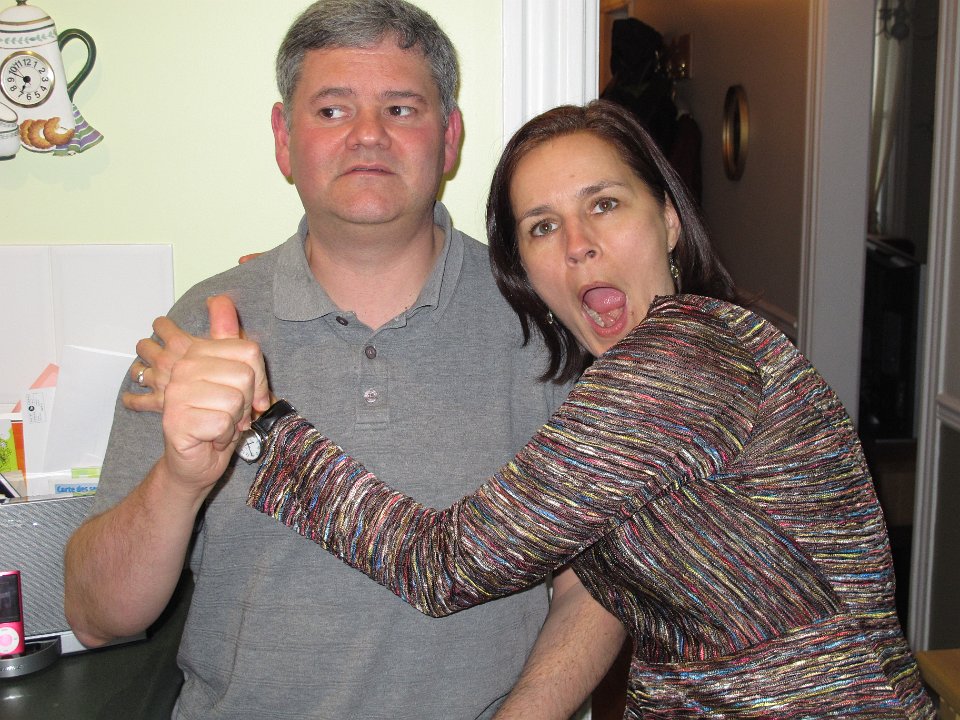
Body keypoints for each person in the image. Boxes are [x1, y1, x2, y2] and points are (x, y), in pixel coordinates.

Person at [169, 100, 934, 718]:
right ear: (526, 269)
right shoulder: (640, 377)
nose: (578, 244)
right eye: (542, 226)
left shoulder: (683, 359)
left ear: (668, 221)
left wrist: (262, 422)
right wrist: (329, 277)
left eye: (605, 204)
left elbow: (444, 563)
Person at [63, 3, 625, 719]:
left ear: (449, 137)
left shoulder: (544, 320)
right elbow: (96, 616)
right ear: (283, 139)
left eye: (400, 108)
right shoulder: (199, 328)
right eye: (332, 110)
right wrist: (180, 478)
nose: (367, 135)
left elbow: (598, 584)